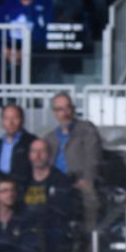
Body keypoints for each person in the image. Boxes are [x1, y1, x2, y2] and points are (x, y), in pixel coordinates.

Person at [44, 91, 102, 233]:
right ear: (54, 113)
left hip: (78, 180)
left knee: (88, 197)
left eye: (68, 107)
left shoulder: (86, 130)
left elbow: (93, 157)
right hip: (55, 183)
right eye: (60, 109)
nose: (65, 113)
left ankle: (88, 243)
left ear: (73, 109)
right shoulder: (49, 138)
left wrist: (87, 178)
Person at [21, 137, 78, 252]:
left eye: (42, 151)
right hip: (25, 233)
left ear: (50, 155)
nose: (38, 156)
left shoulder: (61, 181)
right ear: (29, 155)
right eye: (34, 151)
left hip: (52, 236)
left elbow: (63, 211)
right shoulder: (22, 180)